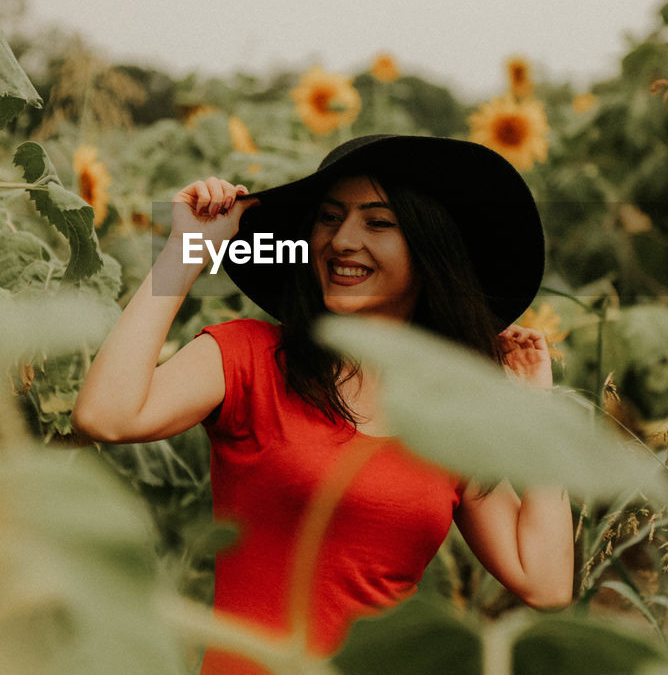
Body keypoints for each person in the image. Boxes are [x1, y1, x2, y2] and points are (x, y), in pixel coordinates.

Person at [73, 135, 574, 673]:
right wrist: (186, 250)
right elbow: (106, 415)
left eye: (378, 223)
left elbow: (545, 583)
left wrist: (534, 414)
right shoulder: (249, 358)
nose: (342, 240)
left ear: (428, 251)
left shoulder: (450, 419)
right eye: (329, 219)